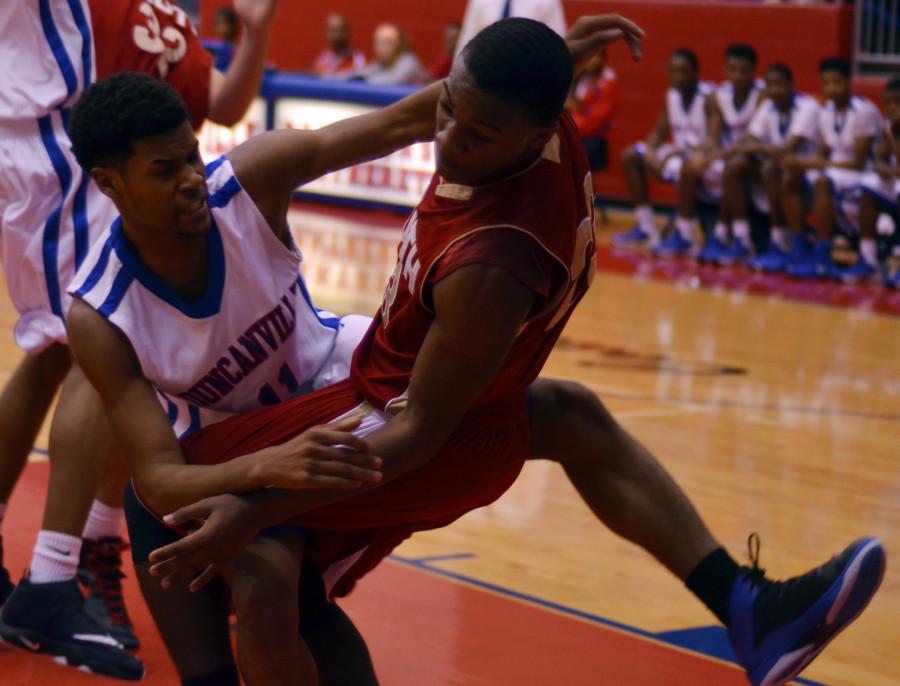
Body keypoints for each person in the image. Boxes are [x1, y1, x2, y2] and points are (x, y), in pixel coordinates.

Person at [125, 19, 883, 686]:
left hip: (402, 421)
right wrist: (555, 52)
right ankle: (749, 608)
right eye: (450, 106)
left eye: (477, 132)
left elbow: (416, 433)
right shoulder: (533, 133)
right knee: (573, 414)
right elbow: (433, 113)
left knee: (204, 518)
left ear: (539, 128)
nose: (449, 137)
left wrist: (249, 508)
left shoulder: (491, 261)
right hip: (444, 397)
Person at [65, 15, 648, 684]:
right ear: (110, 185)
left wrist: (538, 71)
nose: (192, 180)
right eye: (166, 172)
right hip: (241, 446)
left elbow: (403, 122)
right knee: (259, 587)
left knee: (558, 416)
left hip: (336, 384)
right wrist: (267, 467)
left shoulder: (251, 179)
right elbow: (162, 476)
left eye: (191, 158)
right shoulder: (102, 313)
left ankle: (737, 597)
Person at [0, 0, 277, 679]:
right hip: (49, 126)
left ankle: (83, 552)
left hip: (37, 129)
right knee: (103, 343)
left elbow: (220, 100)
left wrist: (257, 29)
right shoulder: (104, 18)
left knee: (56, 349)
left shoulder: (154, 18)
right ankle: (54, 581)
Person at [655, 43, 764, 259]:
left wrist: (714, 155)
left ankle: (737, 237)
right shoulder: (718, 96)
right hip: (728, 155)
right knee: (690, 165)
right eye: (733, 70)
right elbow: (713, 137)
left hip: (756, 157)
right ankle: (685, 232)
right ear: (725, 70)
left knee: (731, 167)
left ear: (753, 71)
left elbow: (751, 142)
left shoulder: (762, 95)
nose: (738, 76)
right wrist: (702, 155)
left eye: (744, 71)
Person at [779, 57, 882, 279]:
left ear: (849, 82)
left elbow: (858, 162)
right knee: (791, 176)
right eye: (826, 83)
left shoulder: (863, 110)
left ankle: (823, 251)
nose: (831, 88)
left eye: (837, 82)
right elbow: (823, 153)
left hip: (863, 176)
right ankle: (798, 245)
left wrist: (814, 163)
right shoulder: (825, 111)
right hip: (836, 172)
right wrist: (799, 163)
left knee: (822, 181)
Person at [718, 64, 821, 268]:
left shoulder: (808, 107)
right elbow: (748, 141)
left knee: (770, 168)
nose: (774, 90)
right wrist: (757, 148)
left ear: (791, 85)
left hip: (808, 172)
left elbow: (786, 149)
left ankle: (781, 240)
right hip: (779, 170)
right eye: (769, 85)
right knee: (734, 166)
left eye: (779, 85)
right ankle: (740, 237)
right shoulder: (767, 107)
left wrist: (758, 147)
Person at [615, 49, 712, 248]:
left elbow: (715, 140)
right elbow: (659, 132)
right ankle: (646, 225)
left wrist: (679, 153)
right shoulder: (672, 96)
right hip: (677, 155)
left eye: (683, 71)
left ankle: (685, 233)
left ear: (695, 72)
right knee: (630, 156)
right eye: (673, 71)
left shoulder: (709, 97)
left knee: (685, 165)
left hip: (704, 158)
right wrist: (651, 152)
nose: (677, 77)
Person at [846, 77, 900, 283]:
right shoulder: (888, 126)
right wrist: (888, 170)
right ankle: (868, 257)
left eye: (898, 102)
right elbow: (879, 160)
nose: (893, 107)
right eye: (889, 103)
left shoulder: (893, 128)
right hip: (895, 181)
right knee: (869, 185)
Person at [455, 0, 566, 58]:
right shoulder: (480, 1)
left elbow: (557, 43)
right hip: (485, 72)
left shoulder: (547, 1)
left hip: (529, 73)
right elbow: (466, 41)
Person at [567, 47, 617, 172]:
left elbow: (594, 121)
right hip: (573, 134)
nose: (592, 61)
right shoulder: (578, 79)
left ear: (603, 60)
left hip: (593, 139)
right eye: (589, 57)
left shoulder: (606, 86)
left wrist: (567, 125)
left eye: (596, 56)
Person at [361, 23, 429, 86]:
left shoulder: (409, 61)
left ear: (399, 44)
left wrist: (364, 80)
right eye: (379, 43)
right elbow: (363, 73)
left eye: (388, 42)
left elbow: (395, 80)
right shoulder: (381, 62)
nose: (383, 47)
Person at [313, 13, 366, 79]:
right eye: (333, 31)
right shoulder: (321, 59)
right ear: (326, 33)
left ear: (347, 32)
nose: (337, 35)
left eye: (341, 30)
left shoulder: (356, 59)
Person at [211, 6, 238, 71]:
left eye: (218, 24)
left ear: (230, 26)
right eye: (215, 23)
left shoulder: (232, 50)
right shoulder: (214, 48)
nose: (215, 27)